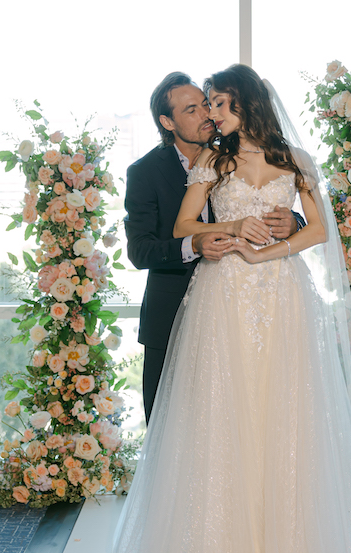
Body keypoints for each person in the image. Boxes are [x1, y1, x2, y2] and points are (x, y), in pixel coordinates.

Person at [110, 65, 351, 553]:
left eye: (217, 103)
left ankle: (290, 550)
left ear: (246, 102)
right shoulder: (215, 160)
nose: (211, 113)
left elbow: (320, 229)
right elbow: (181, 229)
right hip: (224, 296)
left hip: (282, 296)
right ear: (170, 121)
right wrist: (234, 230)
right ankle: (223, 550)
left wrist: (277, 246)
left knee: (284, 411)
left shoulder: (295, 160)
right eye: (203, 106)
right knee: (223, 413)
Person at [125, 71, 300, 422]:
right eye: (191, 109)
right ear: (167, 121)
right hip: (172, 311)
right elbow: (141, 250)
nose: (206, 114)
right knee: (170, 431)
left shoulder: (239, 152)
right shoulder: (144, 172)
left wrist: (295, 223)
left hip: (241, 308)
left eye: (207, 104)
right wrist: (195, 243)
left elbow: (268, 199)